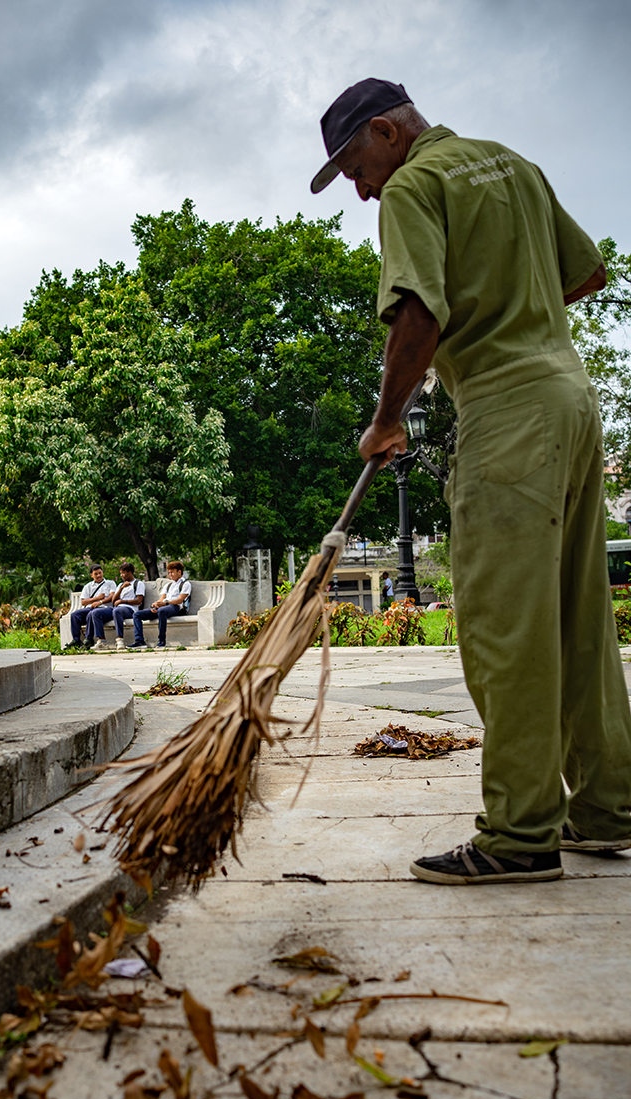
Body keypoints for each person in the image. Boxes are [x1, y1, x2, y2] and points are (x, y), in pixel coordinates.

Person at [311, 77, 631, 884]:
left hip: (506, 409)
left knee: (504, 625)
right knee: (578, 616)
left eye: (355, 167)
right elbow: (586, 273)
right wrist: (510, 305)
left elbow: (417, 311)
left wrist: (388, 419)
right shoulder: (509, 163)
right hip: (571, 397)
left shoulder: (414, 185)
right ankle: (607, 810)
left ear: (386, 131)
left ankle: (520, 835)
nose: (361, 188)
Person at [131, 560, 192, 649]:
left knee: (162, 611)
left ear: (179, 572)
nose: (170, 574)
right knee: (137, 614)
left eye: (172, 572)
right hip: (163, 607)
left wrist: (165, 603)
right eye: (169, 572)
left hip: (175, 607)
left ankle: (161, 641)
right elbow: (162, 599)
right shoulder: (168, 585)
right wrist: (156, 605)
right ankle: (139, 641)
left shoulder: (185, 584)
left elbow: (180, 600)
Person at [86, 562, 145, 649]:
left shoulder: (138, 583)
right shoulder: (121, 585)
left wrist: (123, 601)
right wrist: (121, 588)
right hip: (116, 608)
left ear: (130, 572)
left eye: (123, 573)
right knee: (95, 613)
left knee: (117, 611)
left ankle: (120, 639)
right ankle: (102, 642)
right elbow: (114, 600)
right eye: (120, 573)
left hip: (130, 609)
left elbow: (139, 600)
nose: (121, 575)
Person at [64, 564, 115, 648]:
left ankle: (89, 639)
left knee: (93, 613)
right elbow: (83, 602)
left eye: (100, 573)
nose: (98, 575)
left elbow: (112, 596)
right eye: (96, 574)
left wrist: (100, 602)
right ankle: (76, 640)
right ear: (91, 575)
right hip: (90, 608)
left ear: (102, 572)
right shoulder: (88, 586)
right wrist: (97, 598)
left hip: (105, 608)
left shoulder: (110, 583)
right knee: (74, 615)